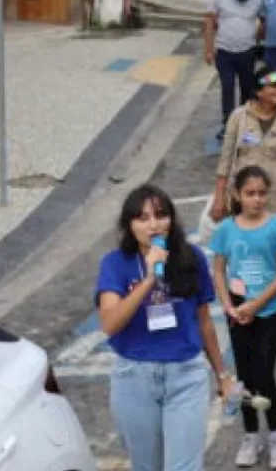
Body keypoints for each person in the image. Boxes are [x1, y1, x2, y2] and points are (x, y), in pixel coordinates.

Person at [96, 185, 234, 471]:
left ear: (172, 219)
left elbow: (204, 320)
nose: (154, 224)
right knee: (147, 466)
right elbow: (109, 323)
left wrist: (222, 374)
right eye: (143, 218)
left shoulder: (190, 258)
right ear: (129, 225)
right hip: (135, 377)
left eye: (160, 215)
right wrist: (148, 280)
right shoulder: (115, 264)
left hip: (185, 374)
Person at [210, 167, 276, 469]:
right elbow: (219, 269)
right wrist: (228, 306)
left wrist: (257, 303)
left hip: (268, 311)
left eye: (262, 193)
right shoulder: (226, 230)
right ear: (237, 195)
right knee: (245, 376)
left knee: (263, 373)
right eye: (250, 193)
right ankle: (250, 435)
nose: (257, 200)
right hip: (238, 313)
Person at [213, 67, 276, 220]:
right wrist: (219, 198)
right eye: (274, 86)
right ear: (258, 92)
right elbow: (225, 160)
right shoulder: (239, 117)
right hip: (244, 199)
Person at [205, 0, 261, 136]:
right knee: (227, 87)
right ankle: (228, 123)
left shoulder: (257, 1)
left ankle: (245, 123)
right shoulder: (219, 0)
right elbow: (209, 24)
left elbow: (263, 23)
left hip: (247, 52)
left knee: (247, 88)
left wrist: (256, 41)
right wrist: (208, 50)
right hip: (225, 52)